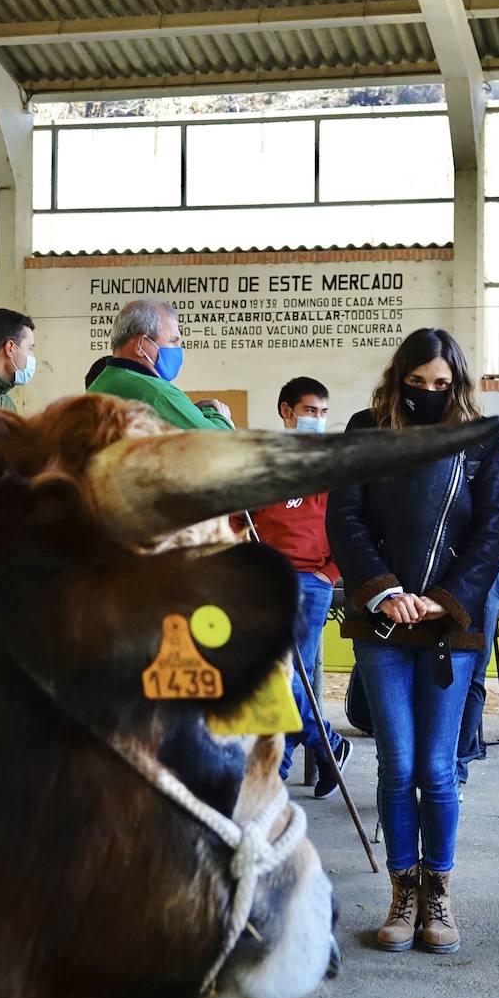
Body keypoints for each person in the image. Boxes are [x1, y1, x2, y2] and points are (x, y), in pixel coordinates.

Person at [327, 329, 499, 954]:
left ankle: (439, 894)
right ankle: (402, 891)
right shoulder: (363, 429)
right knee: (397, 764)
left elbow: (493, 529)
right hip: (383, 624)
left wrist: (444, 599)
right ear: (398, 377)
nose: (429, 394)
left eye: (441, 385)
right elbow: (344, 517)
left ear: (457, 383)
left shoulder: (480, 439)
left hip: (448, 628)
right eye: (417, 383)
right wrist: (383, 589)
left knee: (437, 768)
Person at [244, 377, 352, 799]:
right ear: (286, 411)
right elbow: (241, 519)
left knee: (290, 677)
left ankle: (276, 771)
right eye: (309, 411)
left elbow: (349, 525)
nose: (317, 420)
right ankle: (326, 747)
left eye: (323, 413)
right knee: (279, 677)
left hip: (311, 581)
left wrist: (330, 570)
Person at [455, 441, 499, 793]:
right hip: (427, 575)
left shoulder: (492, 450)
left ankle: (458, 766)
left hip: (486, 573)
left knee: (473, 673)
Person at [87, 300, 232, 430]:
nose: (179, 348)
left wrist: (191, 412)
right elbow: (224, 444)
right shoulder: (155, 394)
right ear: (141, 345)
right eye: (173, 341)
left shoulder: (102, 383)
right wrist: (215, 414)